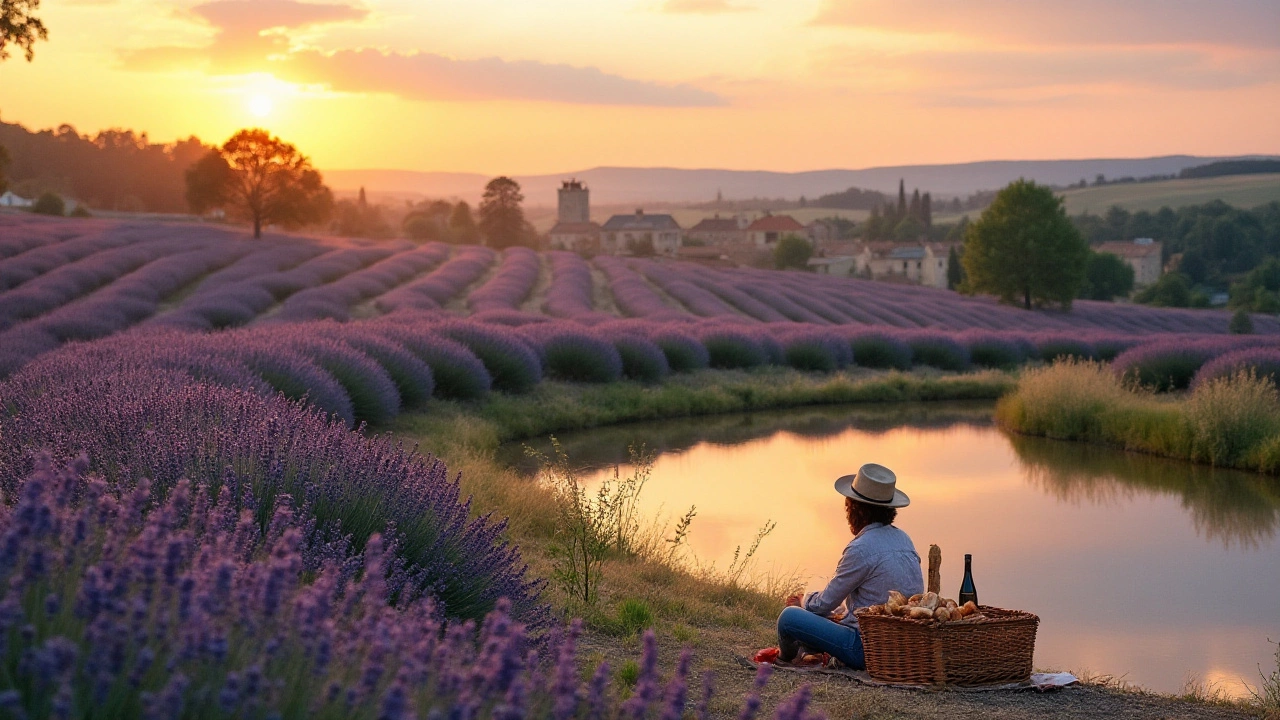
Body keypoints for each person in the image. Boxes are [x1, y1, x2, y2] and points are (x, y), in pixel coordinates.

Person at [775, 463, 923, 669]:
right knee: (829, 615)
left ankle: (785, 658)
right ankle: (806, 649)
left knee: (789, 617)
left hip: (866, 650)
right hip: (904, 647)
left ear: (856, 510)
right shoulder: (904, 539)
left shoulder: (861, 548)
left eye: (848, 507)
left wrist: (803, 600)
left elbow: (822, 604)